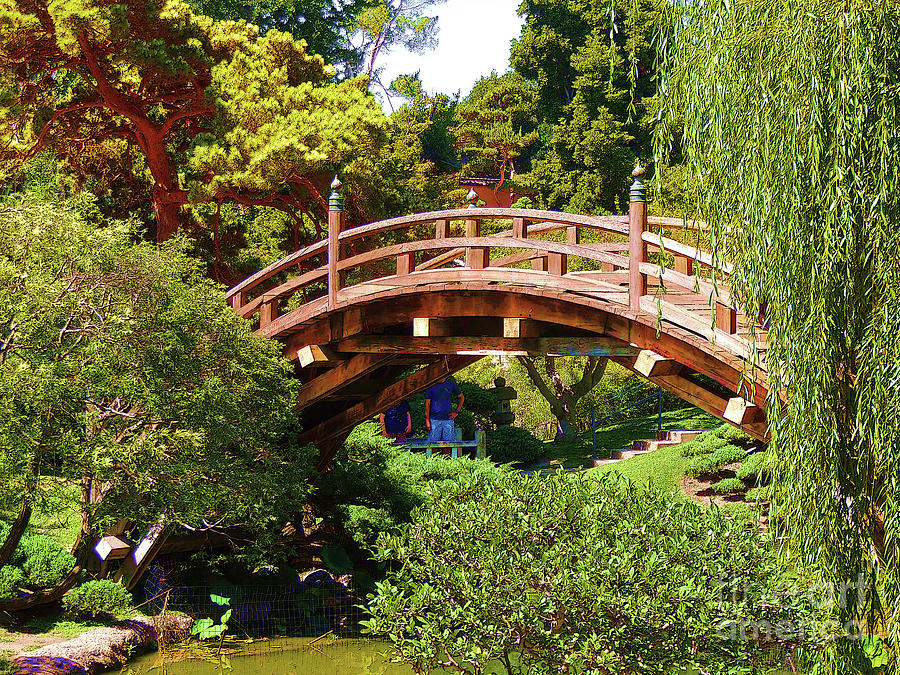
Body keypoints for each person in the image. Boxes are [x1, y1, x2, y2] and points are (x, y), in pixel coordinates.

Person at [424, 376, 464, 443]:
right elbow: (427, 405)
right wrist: (427, 421)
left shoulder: (451, 383)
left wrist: (457, 412)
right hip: (434, 420)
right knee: (433, 445)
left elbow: (461, 397)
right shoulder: (431, 385)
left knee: (448, 445)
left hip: (448, 419)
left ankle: (447, 454)